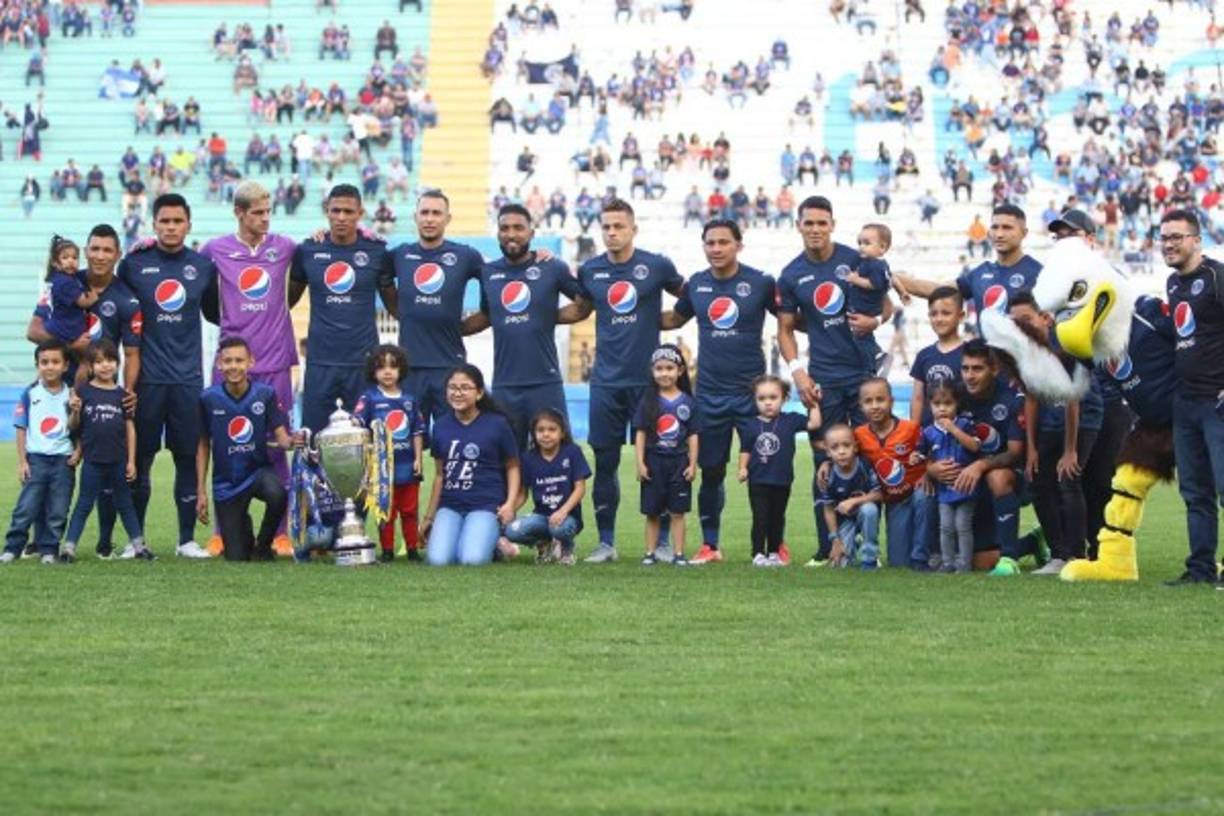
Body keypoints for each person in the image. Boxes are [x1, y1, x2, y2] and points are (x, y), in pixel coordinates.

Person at [776, 196, 886, 567]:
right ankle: (829, 548)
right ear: (798, 226)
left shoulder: (856, 260)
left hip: (863, 375)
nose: (815, 229)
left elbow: (885, 303)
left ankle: (868, 549)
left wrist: (876, 321)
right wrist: (798, 372)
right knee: (824, 459)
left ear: (832, 225)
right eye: (808, 223)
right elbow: (785, 329)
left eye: (822, 223)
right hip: (823, 378)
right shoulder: (791, 274)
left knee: (869, 458)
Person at [660, 219, 777, 564]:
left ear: (739, 245)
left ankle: (773, 545)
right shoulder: (697, 284)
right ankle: (710, 545)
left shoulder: (761, 283)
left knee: (767, 471)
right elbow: (674, 319)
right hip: (709, 395)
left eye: (723, 242)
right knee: (711, 471)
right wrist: (631, 310)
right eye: (710, 242)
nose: (716, 248)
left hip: (753, 396)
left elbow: (789, 319)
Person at [577, 199, 683, 563]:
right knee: (605, 463)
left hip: (649, 385)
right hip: (606, 384)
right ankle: (606, 543)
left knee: (661, 462)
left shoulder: (656, 266)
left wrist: (668, 321)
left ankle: (663, 542)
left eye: (619, 226)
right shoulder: (590, 270)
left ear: (633, 229)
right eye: (606, 226)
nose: (612, 232)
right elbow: (580, 308)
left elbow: (689, 298)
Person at [198, 181, 301, 556]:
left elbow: (319, 252)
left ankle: (282, 532)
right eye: (257, 213)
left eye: (268, 211)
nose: (265, 218)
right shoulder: (214, 249)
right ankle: (220, 532)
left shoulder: (284, 247)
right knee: (225, 446)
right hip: (231, 364)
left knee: (277, 446)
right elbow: (183, 269)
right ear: (239, 213)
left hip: (274, 363)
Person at [27, 225, 142, 557]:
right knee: (51, 466)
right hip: (58, 390)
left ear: (117, 254)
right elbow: (34, 330)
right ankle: (42, 540)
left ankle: (104, 542)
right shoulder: (63, 283)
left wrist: (128, 391)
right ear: (86, 251)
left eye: (107, 250)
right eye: (94, 249)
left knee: (105, 470)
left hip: (102, 394)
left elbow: (132, 353)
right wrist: (70, 346)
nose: (100, 256)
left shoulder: (127, 299)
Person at [118, 193, 220, 559]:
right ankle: (136, 540)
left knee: (186, 458)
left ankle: (186, 540)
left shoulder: (202, 267)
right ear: (154, 224)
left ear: (188, 225)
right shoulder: (133, 265)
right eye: (165, 221)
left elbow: (217, 315)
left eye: (178, 221)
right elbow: (118, 312)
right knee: (141, 459)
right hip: (146, 382)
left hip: (187, 380)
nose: (171, 227)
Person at [462, 204, 590, 451]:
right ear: (498, 234)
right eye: (505, 228)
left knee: (557, 457)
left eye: (518, 228)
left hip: (545, 383)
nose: (511, 234)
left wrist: (547, 317)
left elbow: (582, 306)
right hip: (505, 386)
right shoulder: (488, 273)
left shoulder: (552, 267)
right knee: (508, 460)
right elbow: (488, 316)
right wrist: (451, 329)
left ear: (531, 233)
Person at [288, 184, 397, 433]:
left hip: (364, 361)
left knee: (367, 436)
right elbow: (286, 302)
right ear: (326, 211)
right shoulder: (308, 250)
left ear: (360, 213)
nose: (341, 217)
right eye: (335, 210)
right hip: (320, 361)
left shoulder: (377, 251)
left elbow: (395, 305)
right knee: (314, 437)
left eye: (348, 212)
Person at [1011, 293, 1101, 575]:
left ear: (1045, 318)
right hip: (1051, 420)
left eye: (1026, 319)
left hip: (1082, 416)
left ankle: (1076, 556)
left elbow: (1073, 399)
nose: (1021, 326)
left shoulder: (1066, 342)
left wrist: (1070, 450)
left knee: (1068, 480)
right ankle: (1058, 554)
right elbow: (1031, 398)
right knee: (1039, 481)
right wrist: (1032, 449)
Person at [1158, 210, 1224, 586]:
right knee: (1195, 491)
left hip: (1217, 402)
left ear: (1197, 240)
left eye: (1177, 237)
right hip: (1185, 403)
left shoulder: (1217, 276)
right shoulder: (1172, 283)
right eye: (1165, 238)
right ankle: (1200, 569)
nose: (1169, 244)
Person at [196, 338, 301, 561]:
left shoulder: (265, 394)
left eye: (239, 360)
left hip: (257, 473)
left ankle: (263, 546)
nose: (233, 366)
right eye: (228, 361)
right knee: (237, 557)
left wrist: (294, 441)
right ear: (219, 364)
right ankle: (243, 527)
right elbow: (203, 444)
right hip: (226, 484)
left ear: (250, 362)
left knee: (278, 494)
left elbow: (282, 438)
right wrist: (201, 491)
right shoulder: (208, 398)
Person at [392, 190, 486, 423]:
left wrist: (464, 327)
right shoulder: (400, 254)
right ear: (415, 217)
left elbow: (500, 278)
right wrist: (400, 312)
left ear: (447, 219)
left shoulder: (466, 256)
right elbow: (379, 276)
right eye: (424, 213)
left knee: (452, 434)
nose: (430, 219)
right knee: (408, 436)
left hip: (450, 366)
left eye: (436, 213)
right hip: (409, 368)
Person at [420, 365, 521, 566]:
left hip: (485, 505)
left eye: (465, 388)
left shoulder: (497, 424)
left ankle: (496, 543)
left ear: (479, 393)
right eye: (452, 387)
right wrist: (429, 518)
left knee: (472, 560)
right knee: (437, 561)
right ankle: (480, 539)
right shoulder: (440, 426)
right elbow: (440, 475)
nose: (458, 393)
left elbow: (513, 466)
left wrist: (510, 504)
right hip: (450, 506)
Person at [60, 340, 148, 562]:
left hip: (118, 461)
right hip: (92, 461)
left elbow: (130, 429)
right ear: (90, 367)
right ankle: (68, 549)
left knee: (125, 504)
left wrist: (131, 461)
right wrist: (75, 412)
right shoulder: (83, 392)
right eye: (99, 362)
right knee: (84, 504)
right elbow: (74, 427)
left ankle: (139, 547)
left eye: (110, 360)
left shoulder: (122, 395)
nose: (105, 365)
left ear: (117, 364)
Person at [897, 204, 1042, 329]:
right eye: (995, 227)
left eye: (1007, 228)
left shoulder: (1039, 273)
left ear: (1024, 233)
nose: (999, 234)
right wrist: (890, 276)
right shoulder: (980, 273)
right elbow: (937, 290)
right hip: (988, 353)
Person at [1, 340, 75, 565]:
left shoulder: (72, 394)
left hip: (63, 461)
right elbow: (21, 427)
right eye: (44, 362)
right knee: (26, 507)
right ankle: (13, 548)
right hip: (36, 460)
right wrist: (23, 461)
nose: (49, 366)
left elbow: (78, 428)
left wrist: (78, 451)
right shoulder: (30, 393)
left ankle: (49, 549)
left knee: (58, 509)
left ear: (65, 365)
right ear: (37, 365)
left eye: (55, 362)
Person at [736, 375, 822, 566]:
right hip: (758, 481)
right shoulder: (750, 425)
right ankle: (758, 553)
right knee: (760, 517)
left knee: (777, 518)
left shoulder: (790, 420)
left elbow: (814, 424)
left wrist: (814, 403)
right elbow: (745, 449)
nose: (768, 403)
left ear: (784, 399)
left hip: (782, 480)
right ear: (755, 400)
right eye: (762, 398)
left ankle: (774, 552)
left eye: (773, 397)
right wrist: (742, 468)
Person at [843, 378, 928, 569]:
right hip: (880, 496)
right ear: (861, 406)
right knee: (898, 562)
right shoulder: (858, 435)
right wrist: (826, 464)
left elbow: (930, 454)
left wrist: (927, 472)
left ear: (891, 401)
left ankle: (923, 556)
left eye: (880, 399)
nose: (875, 406)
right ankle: (859, 547)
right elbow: (844, 457)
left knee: (924, 495)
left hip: (907, 496)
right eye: (868, 401)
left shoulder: (911, 429)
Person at [353, 344, 426, 562]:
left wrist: (418, 459)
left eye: (393, 366)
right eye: (381, 367)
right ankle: (387, 551)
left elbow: (417, 432)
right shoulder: (369, 399)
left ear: (401, 369)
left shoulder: (410, 401)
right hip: (382, 469)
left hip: (407, 466)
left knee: (410, 510)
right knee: (386, 510)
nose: (387, 372)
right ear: (373, 371)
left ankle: (412, 549)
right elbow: (357, 425)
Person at [633, 345, 699, 566]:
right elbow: (640, 433)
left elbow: (693, 435)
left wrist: (692, 463)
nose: (664, 373)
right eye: (659, 368)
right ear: (652, 371)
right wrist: (640, 463)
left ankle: (678, 554)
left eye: (669, 368)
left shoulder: (688, 402)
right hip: (654, 462)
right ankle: (650, 553)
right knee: (652, 512)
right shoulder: (648, 401)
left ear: (680, 371)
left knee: (678, 512)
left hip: (679, 462)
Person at [504, 408, 591, 565]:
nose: (546, 434)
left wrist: (563, 511)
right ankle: (544, 542)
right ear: (534, 434)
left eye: (552, 429)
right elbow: (523, 493)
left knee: (559, 529)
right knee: (511, 531)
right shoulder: (528, 458)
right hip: (542, 517)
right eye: (540, 430)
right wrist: (510, 509)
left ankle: (566, 546)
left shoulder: (572, 452)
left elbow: (580, 488)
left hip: (567, 517)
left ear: (562, 433)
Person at [919, 382, 981, 573]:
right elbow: (921, 454)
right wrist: (917, 458)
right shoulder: (928, 432)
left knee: (962, 525)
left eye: (948, 403)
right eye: (937, 404)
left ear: (957, 404)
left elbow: (975, 446)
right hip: (944, 490)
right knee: (945, 526)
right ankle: (947, 562)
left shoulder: (965, 424)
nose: (942, 408)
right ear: (930, 405)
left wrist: (954, 430)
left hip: (965, 487)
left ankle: (964, 563)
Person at [817, 423, 883, 568]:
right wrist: (835, 539)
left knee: (869, 509)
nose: (841, 452)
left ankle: (870, 558)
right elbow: (828, 509)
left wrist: (855, 501)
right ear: (828, 452)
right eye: (835, 448)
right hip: (844, 520)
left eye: (846, 446)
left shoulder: (864, 465)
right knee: (841, 564)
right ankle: (855, 544)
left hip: (865, 515)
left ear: (855, 447)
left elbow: (879, 494)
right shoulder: (828, 475)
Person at [844, 222, 904, 375]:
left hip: (865, 307)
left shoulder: (876, 265)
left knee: (859, 335)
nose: (861, 247)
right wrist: (902, 292)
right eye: (859, 243)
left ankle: (876, 358)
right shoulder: (869, 263)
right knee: (861, 336)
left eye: (867, 243)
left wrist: (855, 279)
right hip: (862, 306)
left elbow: (874, 284)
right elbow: (893, 279)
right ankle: (874, 358)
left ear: (882, 247)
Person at [42, 236, 96, 352]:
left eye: (75, 258)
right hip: (65, 327)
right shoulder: (65, 282)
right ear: (55, 263)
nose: (71, 261)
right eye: (65, 258)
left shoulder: (67, 278)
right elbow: (83, 302)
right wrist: (93, 297)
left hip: (64, 323)